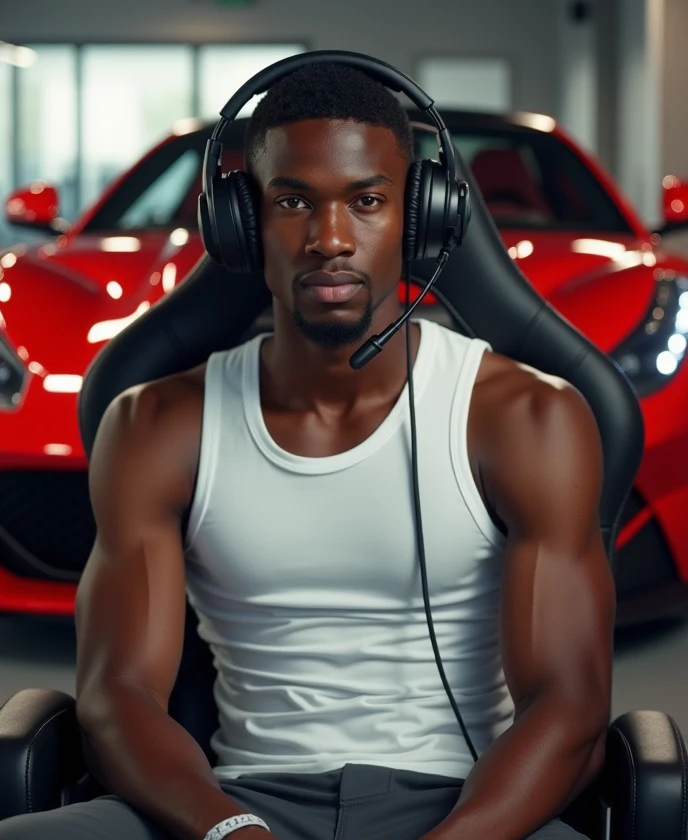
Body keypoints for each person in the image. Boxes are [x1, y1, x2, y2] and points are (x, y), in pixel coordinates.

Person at [0, 64, 615, 840]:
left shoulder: (528, 419)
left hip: (470, 809)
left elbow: (570, 706)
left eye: (367, 201)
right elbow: (117, 695)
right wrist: (230, 831)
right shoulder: (156, 425)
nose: (329, 239)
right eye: (292, 202)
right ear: (242, 224)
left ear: (418, 220)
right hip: (236, 807)